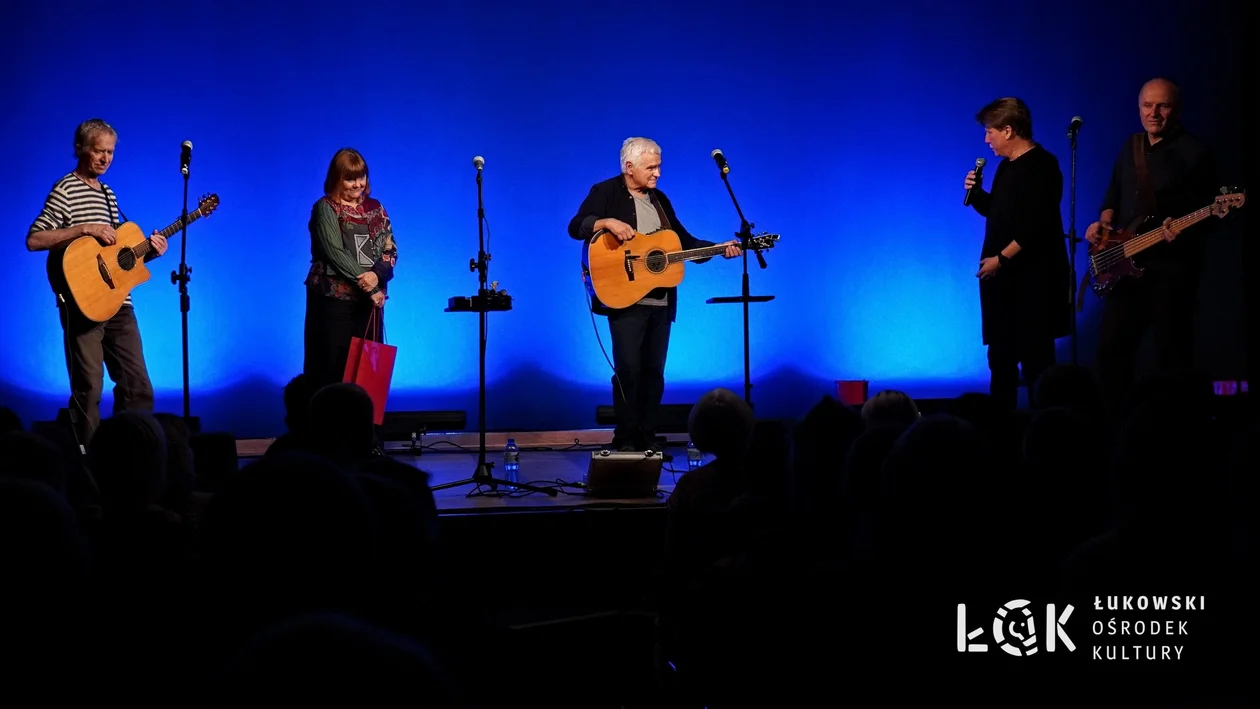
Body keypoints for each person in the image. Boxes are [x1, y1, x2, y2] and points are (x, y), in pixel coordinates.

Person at [568, 137, 741, 451]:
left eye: (659, 166)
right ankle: (625, 441)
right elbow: (576, 225)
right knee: (628, 373)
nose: (658, 172)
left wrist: (719, 249)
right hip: (624, 299)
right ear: (629, 167)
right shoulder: (605, 192)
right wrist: (606, 222)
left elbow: (683, 244)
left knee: (653, 374)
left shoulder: (660, 200)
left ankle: (647, 439)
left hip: (660, 303)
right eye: (651, 166)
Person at [26, 118, 168, 444]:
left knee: (138, 385)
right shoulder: (65, 189)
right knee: (89, 386)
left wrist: (152, 251)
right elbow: (35, 239)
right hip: (83, 302)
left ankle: (130, 456)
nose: (105, 158)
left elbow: (120, 254)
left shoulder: (109, 195)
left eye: (111, 152)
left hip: (119, 302)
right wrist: (84, 228)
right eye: (98, 151)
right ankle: (88, 470)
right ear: (81, 149)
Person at [1085, 77, 1218, 414]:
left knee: (1171, 356)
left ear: (1177, 109)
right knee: (1111, 352)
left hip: (1171, 270)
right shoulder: (1131, 147)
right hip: (1127, 267)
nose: (1154, 113)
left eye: (1163, 105)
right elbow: (1113, 195)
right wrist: (1102, 223)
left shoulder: (1196, 153)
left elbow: (1212, 214)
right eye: (1147, 105)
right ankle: (1118, 425)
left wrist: (1182, 230)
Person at [963, 97, 1071, 411]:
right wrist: (977, 195)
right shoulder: (1004, 167)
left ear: (1009, 130)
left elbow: (1034, 227)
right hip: (1003, 287)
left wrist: (1002, 259)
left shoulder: (1042, 166)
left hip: (1031, 285)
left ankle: (1045, 433)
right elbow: (1000, 214)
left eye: (990, 132)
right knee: (1001, 362)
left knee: (1037, 364)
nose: (987, 139)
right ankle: (1002, 434)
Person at [304, 148, 398, 392]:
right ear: (337, 179)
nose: (358, 184)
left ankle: (364, 428)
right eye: (350, 178)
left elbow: (390, 247)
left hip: (369, 303)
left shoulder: (376, 207)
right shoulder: (325, 208)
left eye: (362, 177)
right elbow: (335, 253)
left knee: (366, 374)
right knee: (331, 371)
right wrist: (371, 287)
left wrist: (376, 276)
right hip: (333, 302)